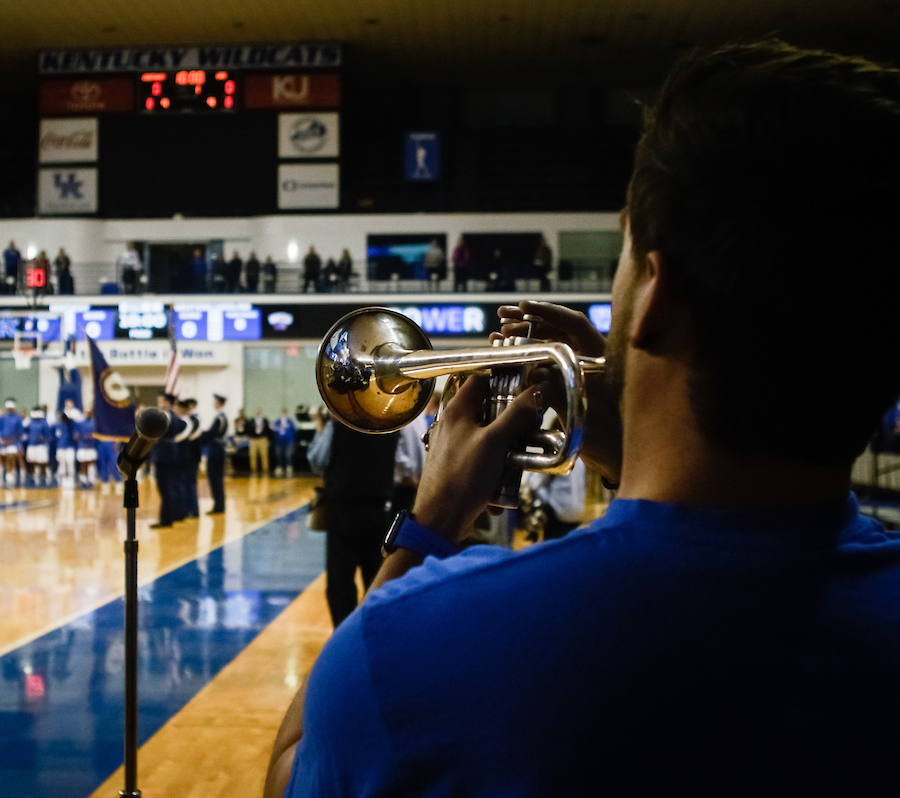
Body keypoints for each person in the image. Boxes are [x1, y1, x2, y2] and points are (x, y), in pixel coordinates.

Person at [267, 41, 900, 798]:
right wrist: (640, 441)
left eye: (624, 255)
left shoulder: (421, 641)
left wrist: (432, 521)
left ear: (656, 297)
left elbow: (290, 770)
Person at [306, 418, 398, 627]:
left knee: (340, 583)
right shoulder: (389, 425)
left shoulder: (338, 424)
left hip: (343, 510)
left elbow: (317, 460)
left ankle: (344, 637)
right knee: (376, 580)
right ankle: (374, 633)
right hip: (379, 508)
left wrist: (320, 430)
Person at [150, 392, 185, 527]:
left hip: (163, 453)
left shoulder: (163, 416)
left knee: (164, 488)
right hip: (172, 452)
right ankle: (170, 517)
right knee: (169, 487)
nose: (159, 403)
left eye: (161, 401)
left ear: (167, 403)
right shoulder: (174, 417)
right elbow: (183, 426)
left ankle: (166, 520)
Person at [202, 394, 229, 514]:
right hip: (218, 449)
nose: (214, 404)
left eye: (215, 402)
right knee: (216, 479)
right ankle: (219, 505)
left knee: (215, 478)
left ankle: (219, 506)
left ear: (219, 403)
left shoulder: (220, 418)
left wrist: (200, 436)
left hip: (215, 449)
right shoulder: (222, 417)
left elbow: (212, 433)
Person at [175, 398, 202, 518]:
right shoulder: (194, 420)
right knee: (189, 484)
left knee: (187, 484)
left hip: (188, 456)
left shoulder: (188, 421)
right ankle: (191, 509)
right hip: (191, 456)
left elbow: (183, 439)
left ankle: (188, 510)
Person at [0, 399, 24, 487]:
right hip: (3, 443)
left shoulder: (18, 418)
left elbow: (20, 432)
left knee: (11, 458)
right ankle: (1, 477)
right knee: (1, 459)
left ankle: (12, 477)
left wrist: (12, 440)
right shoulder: (3, 418)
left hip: (13, 443)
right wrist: (2, 439)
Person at [25, 407, 51, 487]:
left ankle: (43, 479)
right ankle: (32, 479)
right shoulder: (30, 422)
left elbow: (48, 435)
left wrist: (43, 438)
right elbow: (25, 431)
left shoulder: (44, 423)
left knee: (42, 462)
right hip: (32, 445)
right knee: (32, 462)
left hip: (41, 446)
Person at [74, 410, 96, 489]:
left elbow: (95, 435)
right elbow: (76, 435)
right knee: (83, 465)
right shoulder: (80, 424)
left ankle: (91, 481)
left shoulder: (94, 423)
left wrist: (91, 436)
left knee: (91, 464)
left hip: (91, 447)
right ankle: (83, 481)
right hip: (82, 447)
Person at [272, 408, 296, 477]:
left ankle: (289, 467)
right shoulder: (277, 421)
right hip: (279, 442)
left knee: (288, 455)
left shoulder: (290, 421)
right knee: (279, 455)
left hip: (288, 441)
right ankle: (279, 468)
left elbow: (294, 430)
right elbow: (274, 429)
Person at [247, 408, 271, 475]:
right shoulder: (251, 421)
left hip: (262, 439)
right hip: (253, 439)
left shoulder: (265, 420)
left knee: (264, 455)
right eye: (256, 411)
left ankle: (265, 470)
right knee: (253, 455)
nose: (258, 412)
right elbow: (248, 429)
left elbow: (268, 430)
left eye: (259, 411)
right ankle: (254, 470)